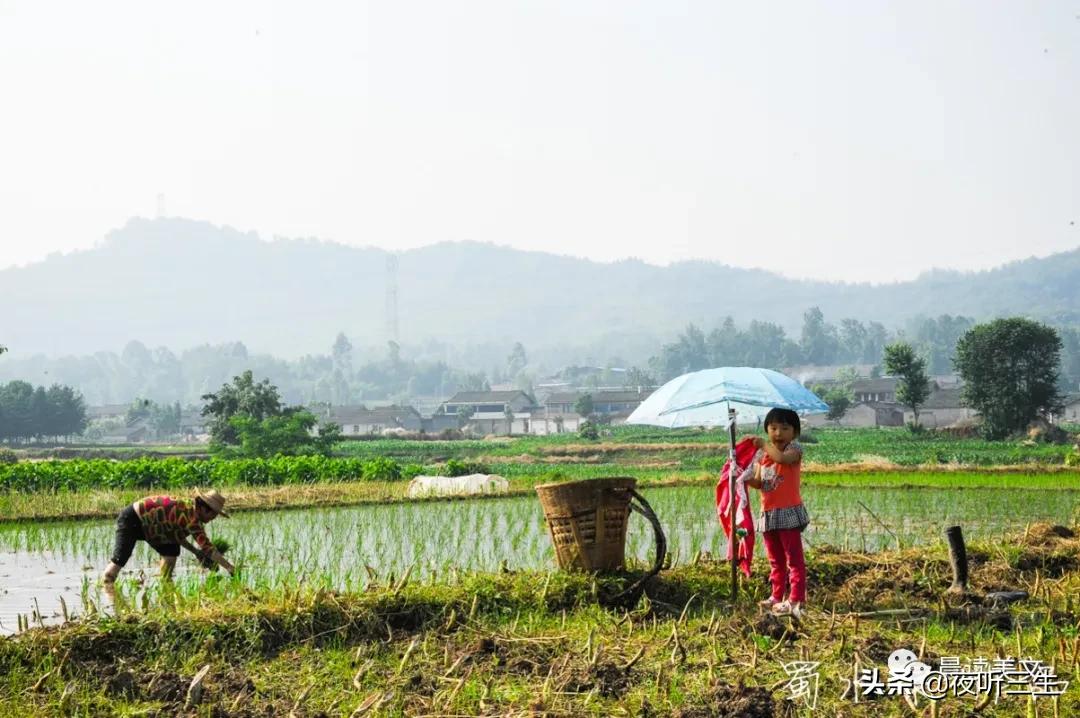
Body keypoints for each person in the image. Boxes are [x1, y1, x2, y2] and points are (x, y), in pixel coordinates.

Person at [743, 408, 808, 617]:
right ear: (767, 429)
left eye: (785, 428)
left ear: (795, 432)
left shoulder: (794, 449)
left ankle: (796, 599)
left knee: (794, 560)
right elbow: (759, 482)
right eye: (773, 428)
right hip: (769, 514)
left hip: (788, 513)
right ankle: (776, 596)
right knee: (775, 560)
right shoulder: (763, 456)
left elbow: (781, 459)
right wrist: (742, 475)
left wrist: (764, 444)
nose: (778, 433)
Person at [101, 489, 235, 584]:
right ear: (203, 508)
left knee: (171, 551)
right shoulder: (191, 517)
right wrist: (230, 568)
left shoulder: (190, 511)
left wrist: (196, 552)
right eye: (213, 515)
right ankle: (107, 584)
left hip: (154, 528)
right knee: (120, 559)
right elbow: (208, 548)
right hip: (133, 518)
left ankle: (166, 585)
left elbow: (177, 537)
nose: (213, 519)